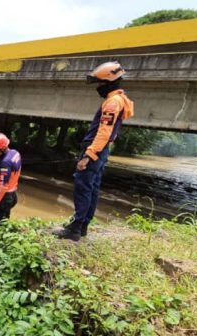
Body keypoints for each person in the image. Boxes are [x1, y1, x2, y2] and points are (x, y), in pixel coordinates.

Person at [57, 61, 135, 241]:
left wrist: (88, 155)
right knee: (92, 188)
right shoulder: (119, 99)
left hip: (95, 149)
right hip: (101, 150)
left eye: (99, 83)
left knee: (83, 186)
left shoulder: (112, 103)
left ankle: (75, 228)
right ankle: (82, 225)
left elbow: (104, 132)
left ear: (109, 83)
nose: (97, 87)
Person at [0, 132, 22, 229]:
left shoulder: (5, 163)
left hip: (3, 198)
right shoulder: (15, 153)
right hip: (12, 195)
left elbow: (3, 186)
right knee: (4, 221)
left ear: (2, 148)